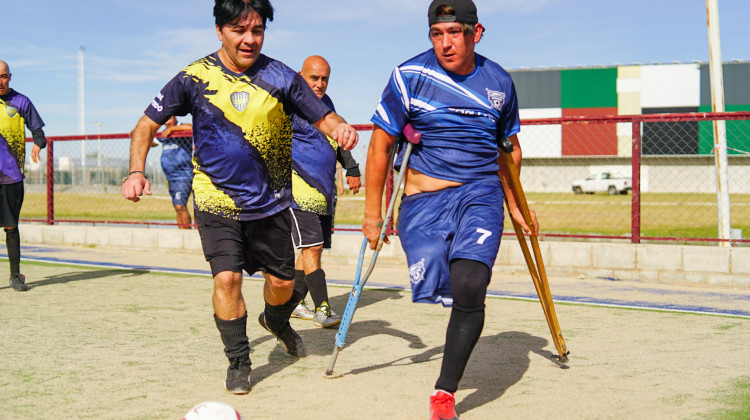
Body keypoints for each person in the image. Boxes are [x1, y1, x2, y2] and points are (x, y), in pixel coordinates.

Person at [121, 0, 358, 395]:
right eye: (238, 30)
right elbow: (146, 124)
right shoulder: (193, 77)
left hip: (271, 205)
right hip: (216, 201)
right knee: (227, 278)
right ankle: (239, 361)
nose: (249, 39)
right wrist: (135, 172)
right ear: (219, 31)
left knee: (282, 285)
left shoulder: (282, 76)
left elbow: (323, 116)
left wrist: (341, 128)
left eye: (257, 31)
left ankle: (277, 321)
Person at [362, 1, 538, 419]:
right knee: (435, 275)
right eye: (437, 34)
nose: (445, 43)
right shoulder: (409, 77)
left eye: (454, 33)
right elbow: (381, 144)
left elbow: (508, 149)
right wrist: (373, 213)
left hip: (481, 195)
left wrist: (513, 203)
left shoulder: (499, 82)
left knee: (471, 284)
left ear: (476, 33)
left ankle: (444, 393)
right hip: (423, 201)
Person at [288, 55, 361, 328]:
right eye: (313, 78)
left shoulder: (326, 104)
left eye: (324, 79)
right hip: (297, 189)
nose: (319, 84)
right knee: (312, 247)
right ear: (300, 75)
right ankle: (323, 309)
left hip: (323, 190)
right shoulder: (288, 103)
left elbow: (337, 136)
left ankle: (292, 304)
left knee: (310, 252)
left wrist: (351, 167)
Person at [0, 60, 47, 292]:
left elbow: (38, 132)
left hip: (11, 177)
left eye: (3, 76)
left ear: (10, 76)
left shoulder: (21, 102)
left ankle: (15, 275)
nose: (0, 81)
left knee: (11, 227)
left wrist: (38, 144)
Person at [153, 116, 194, 229]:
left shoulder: (181, 128)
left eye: (169, 119)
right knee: (178, 207)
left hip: (183, 175)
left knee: (180, 206)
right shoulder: (165, 133)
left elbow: (191, 128)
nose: (167, 122)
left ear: (174, 117)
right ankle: (181, 233)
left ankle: (186, 234)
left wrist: (172, 129)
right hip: (171, 177)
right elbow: (153, 142)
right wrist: (139, 135)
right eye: (164, 120)